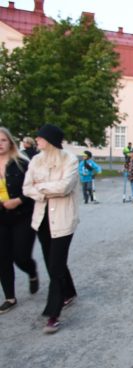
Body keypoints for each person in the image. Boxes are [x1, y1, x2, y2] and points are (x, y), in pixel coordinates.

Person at [22, 124, 79, 334]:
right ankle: (69, 292)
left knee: (55, 265)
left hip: (63, 220)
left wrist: (40, 187)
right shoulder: (36, 160)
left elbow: (65, 187)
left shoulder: (69, 160)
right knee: (52, 261)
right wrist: (45, 189)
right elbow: (26, 188)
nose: (36, 140)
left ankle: (53, 314)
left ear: (50, 140)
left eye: (40, 137)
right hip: (42, 220)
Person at [0, 127, 38, 314]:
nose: (0, 144)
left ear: (10, 143)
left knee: (20, 256)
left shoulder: (22, 163)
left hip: (23, 215)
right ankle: (10, 297)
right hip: (1, 217)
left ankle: (31, 271)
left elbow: (34, 189)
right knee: (3, 258)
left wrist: (19, 200)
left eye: (3, 140)